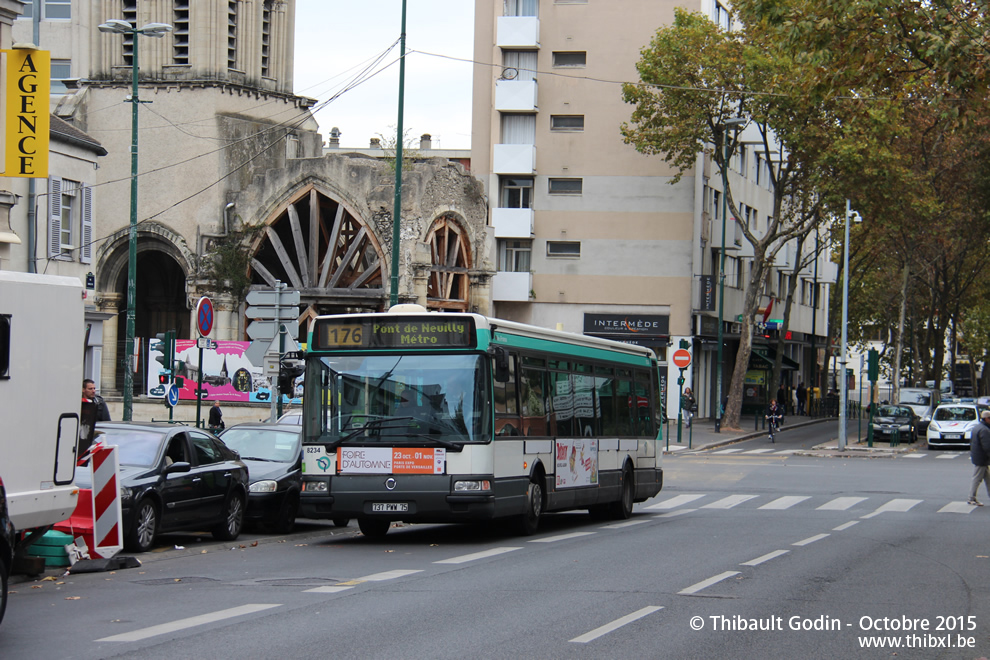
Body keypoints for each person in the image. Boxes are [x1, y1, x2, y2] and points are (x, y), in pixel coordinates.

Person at [968, 409, 990, 506]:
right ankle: (971, 498)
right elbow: (987, 446)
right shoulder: (984, 430)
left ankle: (972, 498)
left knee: (988, 479)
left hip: (979, 456)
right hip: (982, 458)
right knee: (977, 478)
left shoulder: (978, 427)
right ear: (986, 419)